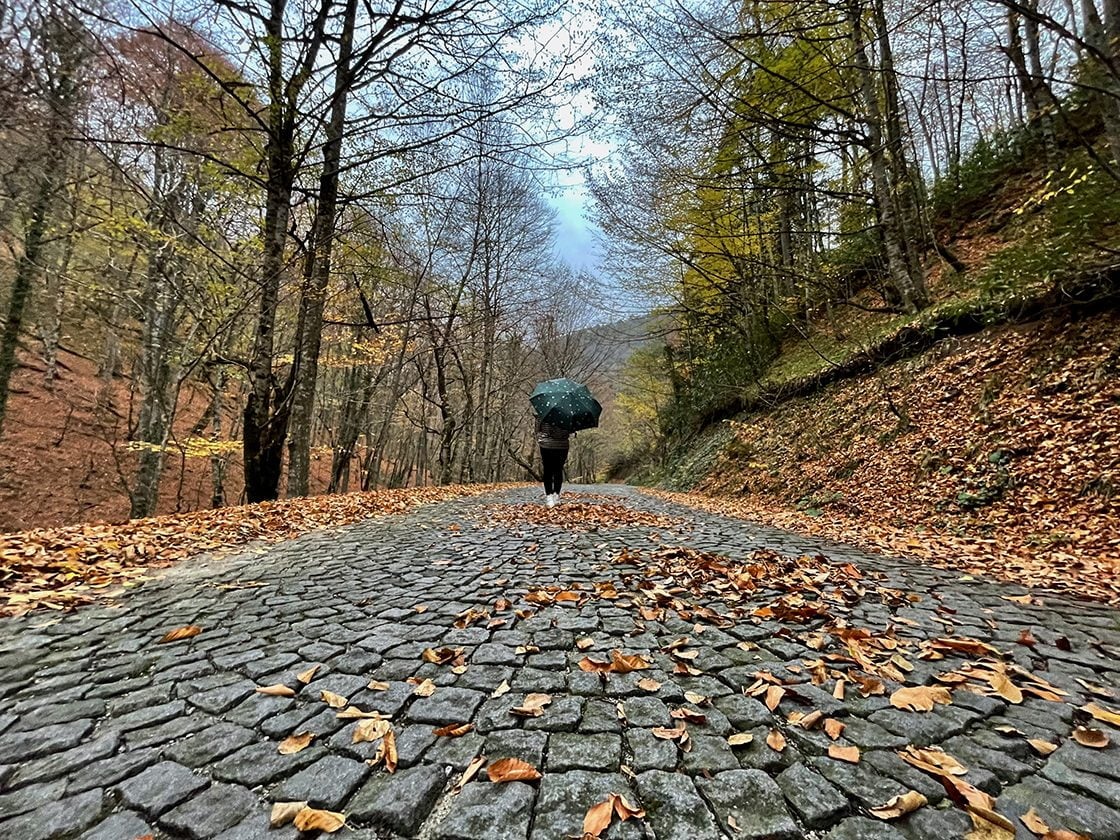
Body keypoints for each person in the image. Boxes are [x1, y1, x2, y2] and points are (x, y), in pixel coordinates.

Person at [536, 417, 570, 507]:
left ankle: (549, 497)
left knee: (548, 470)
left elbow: (538, 429)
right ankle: (556, 496)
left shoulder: (543, 413)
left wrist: (540, 437)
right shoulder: (567, 414)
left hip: (546, 444)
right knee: (558, 470)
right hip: (562, 445)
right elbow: (570, 430)